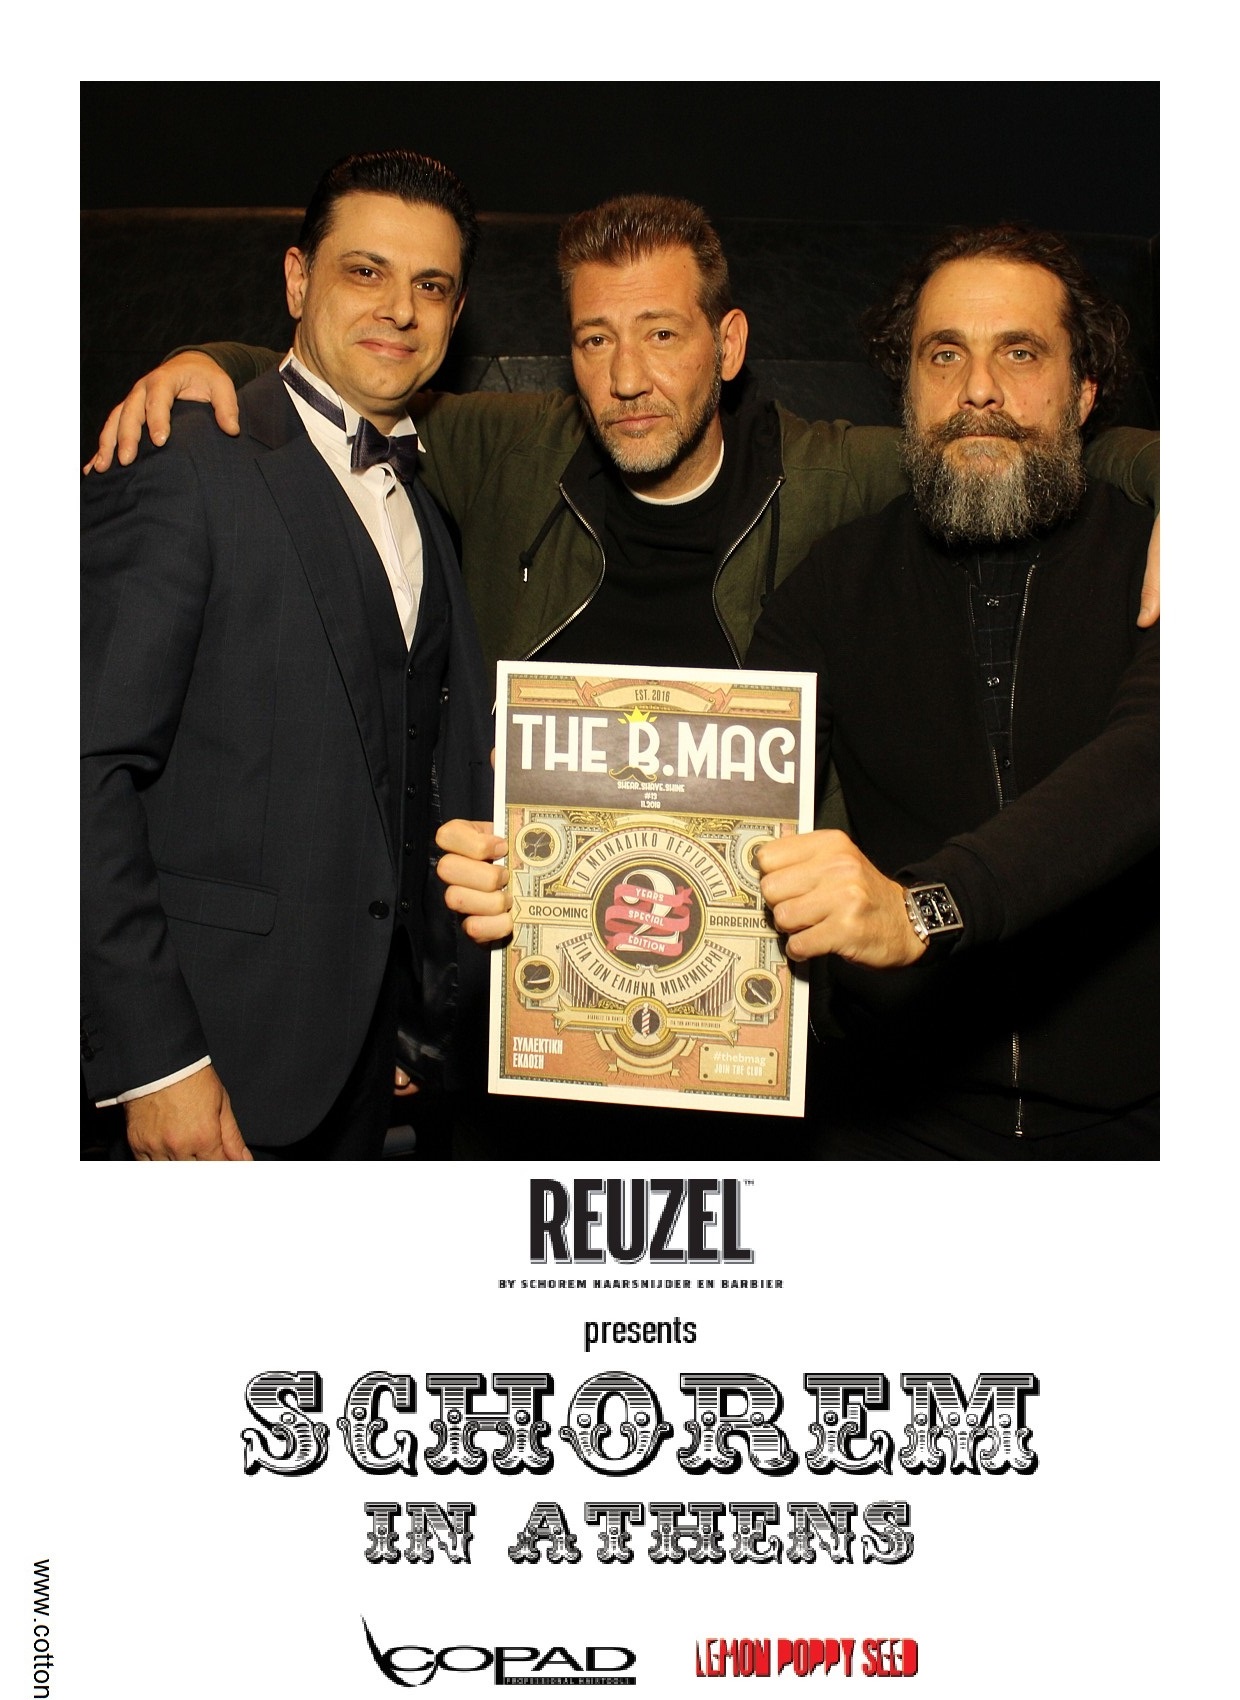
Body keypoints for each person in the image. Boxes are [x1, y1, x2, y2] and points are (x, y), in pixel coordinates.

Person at [87, 197, 1160, 1156]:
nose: (628, 376)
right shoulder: (503, 452)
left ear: (728, 344)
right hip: (523, 1054)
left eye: (662, 333)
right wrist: (209, 364)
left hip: (759, 1061)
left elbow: (1010, 442)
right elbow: (354, 374)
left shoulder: (837, 475)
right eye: (595, 339)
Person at [81, 150, 493, 1159]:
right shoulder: (185, 458)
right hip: (207, 1066)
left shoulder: (430, 511)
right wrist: (153, 1062)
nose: (398, 309)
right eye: (365, 271)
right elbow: (77, 769)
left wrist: (412, 1011)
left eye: (430, 285)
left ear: (455, 312)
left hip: (364, 1068)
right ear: (298, 279)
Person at [744, 224, 1158, 1158]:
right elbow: (723, 795)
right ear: (909, 390)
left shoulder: (1160, 561)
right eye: (944, 355)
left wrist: (924, 908)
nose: (978, 390)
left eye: (1021, 352)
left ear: (1085, 390)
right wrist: (551, 852)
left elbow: (1152, 760)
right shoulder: (834, 584)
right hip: (895, 1124)